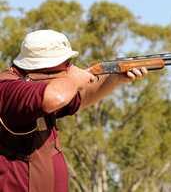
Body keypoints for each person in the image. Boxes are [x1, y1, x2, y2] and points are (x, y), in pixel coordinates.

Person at [0, 29, 148, 192]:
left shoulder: (40, 88)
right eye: (65, 64)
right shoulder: (9, 89)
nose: (69, 68)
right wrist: (73, 79)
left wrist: (116, 78)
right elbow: (55, 96)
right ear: (43, 67)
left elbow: (81, 97)